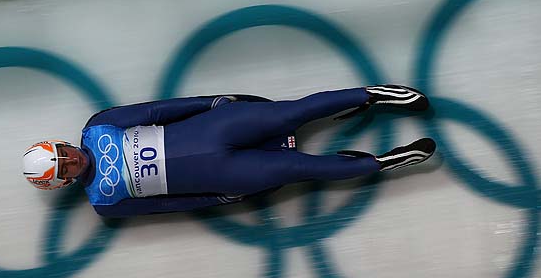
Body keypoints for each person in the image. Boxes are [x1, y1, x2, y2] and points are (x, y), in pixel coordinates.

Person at [23, 85, 436, 217]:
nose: (72, 159)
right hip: (222, 175)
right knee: (299, 167)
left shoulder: (98, 127)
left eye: (63, 152)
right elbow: (168, 206)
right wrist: (218, 198)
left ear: (62, 144)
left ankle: (380, 94)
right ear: (64, 182)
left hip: (209, 130)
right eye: (65, 166)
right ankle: (389, 161)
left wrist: (211, 103)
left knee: (294, 112)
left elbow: (155, 111)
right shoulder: (104, 202)